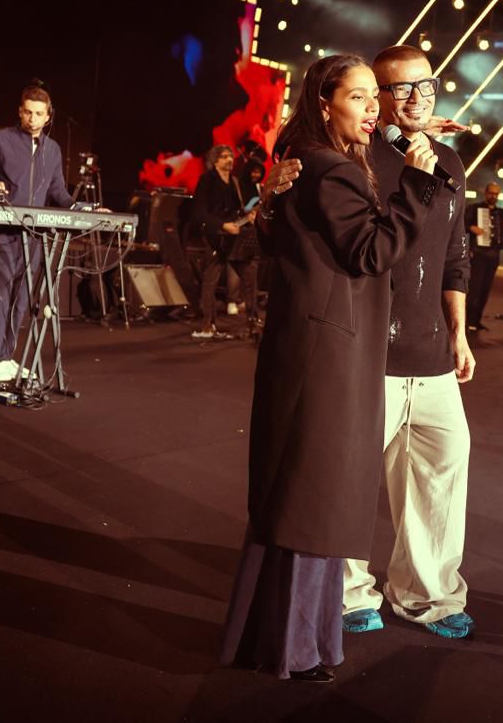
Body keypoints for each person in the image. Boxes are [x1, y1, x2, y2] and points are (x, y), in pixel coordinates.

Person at [220, 54, 443, 682]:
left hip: (309, 345)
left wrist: (268, 202)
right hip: (329, 357)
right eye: (359, 97)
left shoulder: (307, 161)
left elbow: (276, 242)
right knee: (313, 497)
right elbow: (371, 252)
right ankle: (294, 647)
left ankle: (286, 642)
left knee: (301, 494)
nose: (374, 108)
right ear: (325, 103)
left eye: (376, 96)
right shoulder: (334, 169)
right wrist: (417, 186)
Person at [341, 44, 476, 641]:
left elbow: (456, 255)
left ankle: (426, 594)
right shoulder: (358, 157)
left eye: (428, 85)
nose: (419, 97)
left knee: (440, 475)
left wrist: (460, 334)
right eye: (402, 87)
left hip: (433, 354)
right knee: (351, 478)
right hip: (370, 352)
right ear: (379, 96)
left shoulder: (448, 160)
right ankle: (346, 592)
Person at [0, 84, 77, 383]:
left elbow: (57, 190)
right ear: (20, 112)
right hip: (2, 228)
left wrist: (81, 209)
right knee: (2, 289)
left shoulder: (52, 150)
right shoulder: (1, 139)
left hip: (33, 232)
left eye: (39, 114)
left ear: (48, 116)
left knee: (22, 295)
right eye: (28, 112)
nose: (33, 119)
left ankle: (5, 358)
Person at [191, 144, 259, 339]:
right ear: (215, 160)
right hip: (215, 237)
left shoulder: (234, 182)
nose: (230, 159)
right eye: (224, 156)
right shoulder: (207, 180)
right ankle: (208, 325)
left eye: (231, 156)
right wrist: (222, 225)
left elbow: (237, 210)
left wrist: (248, 216)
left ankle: (253, 322)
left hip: (234, 238)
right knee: (210, 281)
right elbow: (199, 213)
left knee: (249, 277)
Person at [465, 181, 503, 331]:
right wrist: (471, 227)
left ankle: (477, 320)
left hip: (494, 255)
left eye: (496, 194)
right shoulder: (474, 209)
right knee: (475, 288)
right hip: (478, 253)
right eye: (491, 193)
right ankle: (468, 320)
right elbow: (462, 224)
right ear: (486, 193)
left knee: (485, 289)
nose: (493, 196)